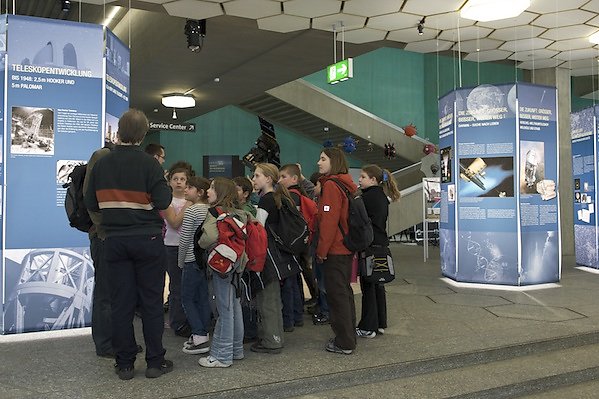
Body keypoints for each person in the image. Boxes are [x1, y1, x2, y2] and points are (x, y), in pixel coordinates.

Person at [84, 109, 173, 380]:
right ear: (143, 134)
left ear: (119, 132)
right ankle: (155, 362)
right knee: (151, 302)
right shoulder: (150, 165)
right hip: (147, 239)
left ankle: (124, 364)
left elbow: (90, 202)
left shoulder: (102, 163)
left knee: (121, 303)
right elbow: (163, 201)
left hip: (114, 240)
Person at [197, 177, 249, 368]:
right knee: (234, 306)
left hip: (220, 265)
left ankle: (222, 355)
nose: (208, 191)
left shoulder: (213, 213)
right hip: (237, 263)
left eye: (211, 188)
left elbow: (208, 237)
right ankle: (236, 349)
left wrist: (202, 244)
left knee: (223, 309)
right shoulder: (241, 213)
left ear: (220, 192)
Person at [251, 163, 299, 354]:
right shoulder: (279, 198)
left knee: (267, 299)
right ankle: (276, 335)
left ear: (268, 179)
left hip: (267, 256)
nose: (254, 179)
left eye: (256, 176)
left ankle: (272, 340)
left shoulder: (266, 201)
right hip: (279, 255)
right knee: (274, 298)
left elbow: (259, 230)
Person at [316, 147, 357, 355]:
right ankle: (349, 334)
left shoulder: (332, 185)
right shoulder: (346, 183)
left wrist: (322, 250)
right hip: (346, 247)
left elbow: (328, 221)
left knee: (337, 295)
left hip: (335, 249)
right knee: (344, 293)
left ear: (334, 162)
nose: (318, 162)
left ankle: (344, 341)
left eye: (323, 159)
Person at [355, 164, 401, 339]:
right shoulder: (382, 196)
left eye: (363, 177)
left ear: (373, 180)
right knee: (378, 285)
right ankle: (380, 323)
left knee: (368, 286)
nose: (359, 180)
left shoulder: (367, 198)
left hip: (370, 245)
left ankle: (368, 327)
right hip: (381, 244)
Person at [177, 176, 212, 355]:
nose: (185, 189)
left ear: (199, 193)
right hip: (206, 260)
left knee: (187, 298)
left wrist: (180, 261)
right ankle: (203, 333)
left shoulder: (191, 211)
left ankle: (199, 335)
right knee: (203, 297)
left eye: (189, 187)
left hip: (191, 259)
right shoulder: (210, 209)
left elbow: (185, 239)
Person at [163, 167, 192, 338]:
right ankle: (178, 322)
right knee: (176, 286)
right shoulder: (168, 201)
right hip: (172, 246)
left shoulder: (193, 201)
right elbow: (174, 222)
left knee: (190, 286)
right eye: (175, 179)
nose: (179, 182)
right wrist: (188, 206)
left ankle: (191, 319)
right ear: (170, 182)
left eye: (182, 179)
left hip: (190, 247)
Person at [233, 176, 258, 343]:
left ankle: (249, 331)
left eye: (237, 189)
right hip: (244, 256)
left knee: (246, 295)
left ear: (246, 193)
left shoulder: (245, 210)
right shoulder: (239, 207)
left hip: (247, 257)